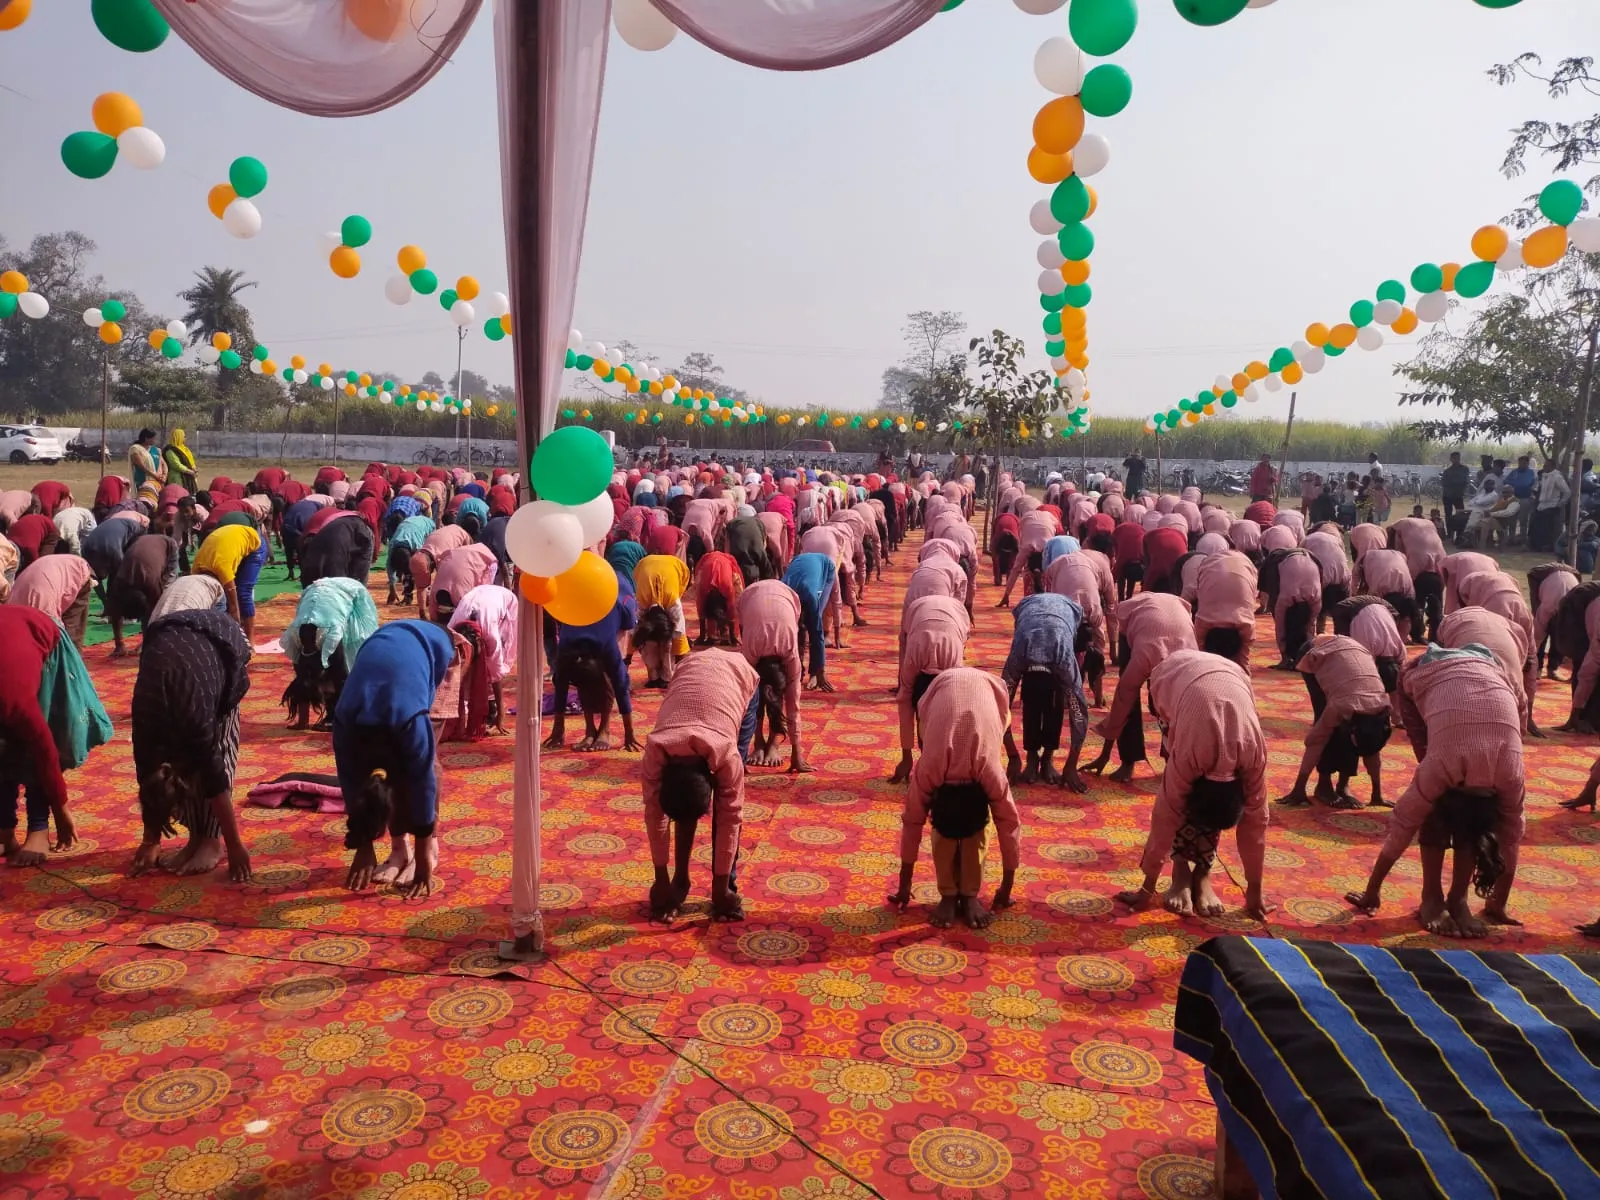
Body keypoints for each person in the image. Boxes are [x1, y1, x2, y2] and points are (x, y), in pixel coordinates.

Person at [1345, 646, 1523, 936]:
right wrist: (1372, 891)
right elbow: (1404, 824)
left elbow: (1512, 836)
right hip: (1423, 671)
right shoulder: (1441, 767)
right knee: (1432, 812)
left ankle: (1458, 899)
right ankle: (1431, 896)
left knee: (1466, 825)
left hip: (1492, 669)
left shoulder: (1511, 774)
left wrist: (1498, 903)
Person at [1116, 651, 1271, 919]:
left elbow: (1256, 822)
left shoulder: (1253, 756)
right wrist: (1147, 888)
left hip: (1232, 675)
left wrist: (1255, 890)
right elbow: (1166, 814)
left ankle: (1202, 873)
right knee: (1176, 796)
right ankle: (1180, 873)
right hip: (1171, 677)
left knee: (1206, 807)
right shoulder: (1189, 756)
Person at [889, 667, 1021, 930]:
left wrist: (1007, 888)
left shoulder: (989, 771)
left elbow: (1009, 823)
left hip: (992, 695)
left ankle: (969, 894)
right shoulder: (929, 768)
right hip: (937, 693)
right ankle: (949, 894)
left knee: (977, 834)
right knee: (946, 837)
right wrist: (904, 886)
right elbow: (912, 820)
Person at [128, 608, 253, 881]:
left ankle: (211, 841)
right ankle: (196, 839)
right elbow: (147, 778)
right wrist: (151, 840)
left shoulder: (197, 723)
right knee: (194, 767)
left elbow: (216, 780)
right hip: (173, 646)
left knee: (215, 757)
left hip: (220, 642)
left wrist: (234, 845)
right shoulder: (146, 730)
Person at [335, 620, 457, 898]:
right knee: (385, 781)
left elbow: (423, 781)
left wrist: (424, 856)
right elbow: (350, 783)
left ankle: (431, 848)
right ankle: (399, 850)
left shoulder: (411, 720)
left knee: (425, 765)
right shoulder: (345, 722)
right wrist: (363, 847)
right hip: (383, 645)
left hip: (438, 646)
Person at [640, 649, 758, 922]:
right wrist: (661, 880)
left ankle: (724, 884)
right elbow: (655, 813)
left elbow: (731, 816)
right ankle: (681, 881)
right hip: (691, 668)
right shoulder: (656, 749)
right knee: (684, 803)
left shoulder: (726, 754)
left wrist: (721, 890)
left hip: (739, 677)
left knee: (724, 808)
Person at [0, 607, 109, 866]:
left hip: (44, 636)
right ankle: (4, 830)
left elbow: (44, 749)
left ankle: (38, 829)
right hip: (12, 639)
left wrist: (61, 809)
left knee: (40, 736)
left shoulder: (13, 696)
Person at [1084, 592, 1197, 782]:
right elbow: (1123, 701)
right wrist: (1105, 754)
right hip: (1135, 614)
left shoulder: (1192, 666)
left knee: (1180, 709)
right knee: (1129, 694)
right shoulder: (1143, 659)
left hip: (1177, 614)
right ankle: (1128, 761)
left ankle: (1174, 759)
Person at [1277, 635, 1391, 809]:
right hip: (1316, 651)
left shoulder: (1382, 708)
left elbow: (1372, 748)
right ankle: (1324, 785)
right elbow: (1316, 740)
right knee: (1326, 722)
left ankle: (1343, 786)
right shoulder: (1341, 706)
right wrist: (1299, 788)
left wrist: (1377, 794)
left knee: (1356, 737)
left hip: (1353, 653)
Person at [1000, 593, 1090, 791]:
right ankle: (1032, 757)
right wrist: (1013, 756)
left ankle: (1047, 757)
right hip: (1028, 612)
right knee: (1032, 703)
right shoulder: (1019, 655)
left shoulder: (1064, 660)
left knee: (1055, 702)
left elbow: (1079, 712)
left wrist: (1071, 765)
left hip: (1066, 613)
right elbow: (1000, 706)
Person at [890, 594, 972, 784]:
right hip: (917, 612)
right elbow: (905, 701)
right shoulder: (912, 661)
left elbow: (956, 711)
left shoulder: (954, 665)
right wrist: (906, 757)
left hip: (957, 615)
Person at [737, 580, 811, 773]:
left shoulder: (791, 655)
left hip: (789, 600)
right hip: (748, 599)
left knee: (771, 700)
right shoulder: (750, 652)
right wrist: (743, 752)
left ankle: (773, 743)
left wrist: (797, 754)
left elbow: (793, 704)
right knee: (751, 694)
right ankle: (760, 742)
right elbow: (744, 699)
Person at [106, 530, 180, 657]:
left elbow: (157, 614)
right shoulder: (119, 584)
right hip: (140, 544)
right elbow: (115, 613)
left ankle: (155, 641)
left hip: (168, 546)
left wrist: (146, 643)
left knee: (166, 594)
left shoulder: (152, 585)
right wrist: (119, 644)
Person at [191, 520, 266, 641]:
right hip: (228, 536)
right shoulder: (195, 568)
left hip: (253, 541)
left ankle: (250, 640)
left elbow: (234, 608)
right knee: (221, 600)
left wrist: (234, 618)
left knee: (243, 593)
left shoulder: (222, 568)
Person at [9, 554, 95, 649]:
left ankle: (72, 654)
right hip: (53, 569)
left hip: (77, 570)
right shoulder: (14, 610)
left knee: (71, 627)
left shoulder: (44, 609)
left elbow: (56, 632)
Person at [634, 551, 693, 686]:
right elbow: (633, 632)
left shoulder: (673, 603)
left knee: (668, 644)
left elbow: (679, 634)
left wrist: (681, 669)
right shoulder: (640, 602)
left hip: (677, 572)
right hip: (644, 570)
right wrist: (629, 654)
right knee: (648, 643)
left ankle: (666, 677)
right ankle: (655, 677)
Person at [1190, 551, 1258, 669]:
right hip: (1242, 564)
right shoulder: (1204, 621)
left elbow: (1200, 657)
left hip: (1239, 564)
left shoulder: (1246, 625)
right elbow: (1243, 663)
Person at [784, 552, 840, 693]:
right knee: (793, 632)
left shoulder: (811, 598)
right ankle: (797, 668)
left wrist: (820, 670)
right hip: (798, 560)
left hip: (825, 566)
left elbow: (817, 634)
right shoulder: (783, 593)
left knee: (816, 621)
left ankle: (814, 672)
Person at [693, 549, 743, 646]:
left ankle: (725, 634)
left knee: (738, 599)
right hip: (707, 565)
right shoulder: (702, 587)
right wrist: (702, 636)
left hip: (726, 566)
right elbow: (701, 609)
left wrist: (732, 636)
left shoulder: (728, 586)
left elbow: (732, 608)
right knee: (711, 609)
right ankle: (712, 635)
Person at [1440, 451, 1471, 527]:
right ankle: (1449, 532)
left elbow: (1465, 481)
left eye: (1458, 458)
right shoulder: (1447, 471)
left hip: (1458, 496)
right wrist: (1456, 483)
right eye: (1454, 458)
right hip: (1447, 496)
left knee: (1461, 514)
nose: (1456, 460)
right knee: (1448, 515)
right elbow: (1444, 483)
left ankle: (1460, 532)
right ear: (1451, 459)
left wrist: (1454, 483)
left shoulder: (1464, 469)